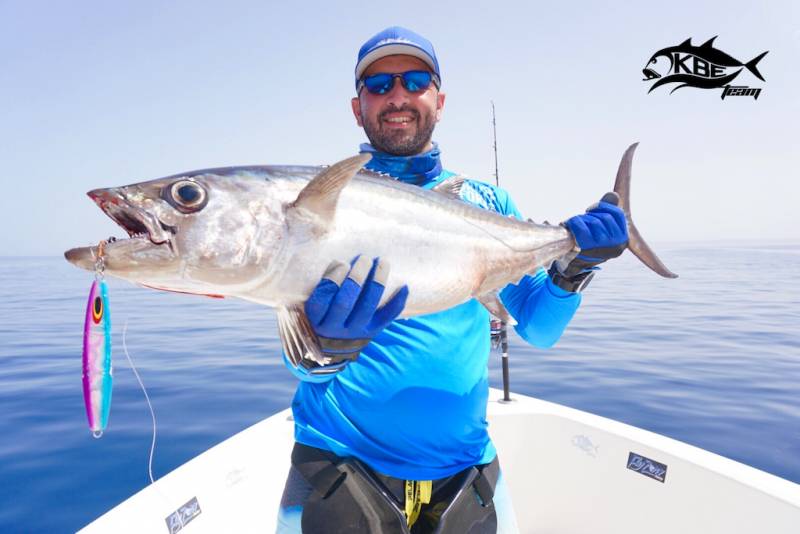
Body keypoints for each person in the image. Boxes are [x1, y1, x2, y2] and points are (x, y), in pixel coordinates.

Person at [277, 27, 628, 534]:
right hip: (337, 465)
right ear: (358, 108)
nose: (397, 95)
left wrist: (575, 266)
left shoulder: (489, 204)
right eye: (378, 86)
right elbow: (302, 363)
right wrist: (323, 349)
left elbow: (539, 329)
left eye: (414, 80)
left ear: (438, 101)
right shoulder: (324, 203)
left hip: (467, 473)